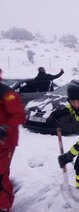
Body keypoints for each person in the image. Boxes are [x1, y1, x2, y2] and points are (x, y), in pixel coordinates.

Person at [0, 68, 26, 212]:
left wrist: (4, 128)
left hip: (5, 142)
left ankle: (4, 206)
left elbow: (20, 115)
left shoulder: (7, 93)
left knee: (0, 175)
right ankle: (8, 186)